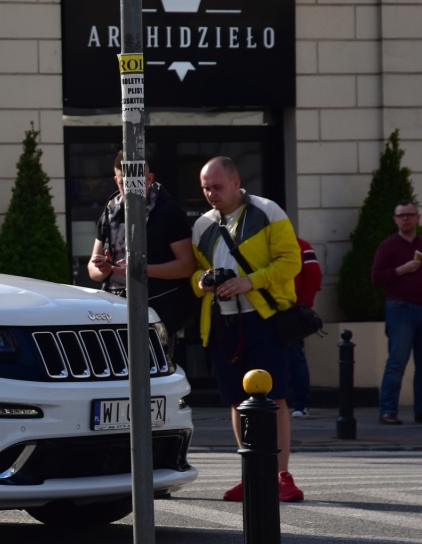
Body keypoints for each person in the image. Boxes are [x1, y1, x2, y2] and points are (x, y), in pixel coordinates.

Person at [191, 157, 304, 502]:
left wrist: (248, 282)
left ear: (236, 181)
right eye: (205, 188)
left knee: (276, 397)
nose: (211, 194)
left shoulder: (268, 212)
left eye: (217, 187)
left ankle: (282, 475)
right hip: (223, 322)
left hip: (264, 318)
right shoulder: (202, 226)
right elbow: (195, 276)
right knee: (237, 401)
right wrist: (204, 282)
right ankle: (253, 474)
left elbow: (291, 261)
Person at [87, 153, 198, 339]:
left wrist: (139, 270)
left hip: (159, 309)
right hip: (116, 309)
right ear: (116, 181)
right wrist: (105, 268)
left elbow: (186, 266)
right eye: (124, 184)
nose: (131, 191)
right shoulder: (110, 210)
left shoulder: (168, 211)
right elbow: (92, 269)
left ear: (149, 179)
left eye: (136, 184)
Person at [370, 199, 422, 425]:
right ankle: (388, 410)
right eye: (401, 216)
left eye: (410, 215)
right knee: (397, 361)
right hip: (400, 308)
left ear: (417, 217)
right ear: (395, 220)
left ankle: (420, 411)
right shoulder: (388, 246)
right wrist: (402, 270)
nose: (406, 219)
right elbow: (376, 277)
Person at [288, 237, 322, 418]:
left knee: (295, 359)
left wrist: (302, 306)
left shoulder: (301, 245)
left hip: (291, 312)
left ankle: (301, 404)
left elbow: (313, 276)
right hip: (265, 311)